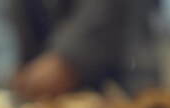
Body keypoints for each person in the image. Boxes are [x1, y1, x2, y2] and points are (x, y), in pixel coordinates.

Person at [11, 0, 159, 99]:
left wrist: (66, 59)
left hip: (124, 85)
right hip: (58, 103)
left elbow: (104, 12)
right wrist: (30, 67)